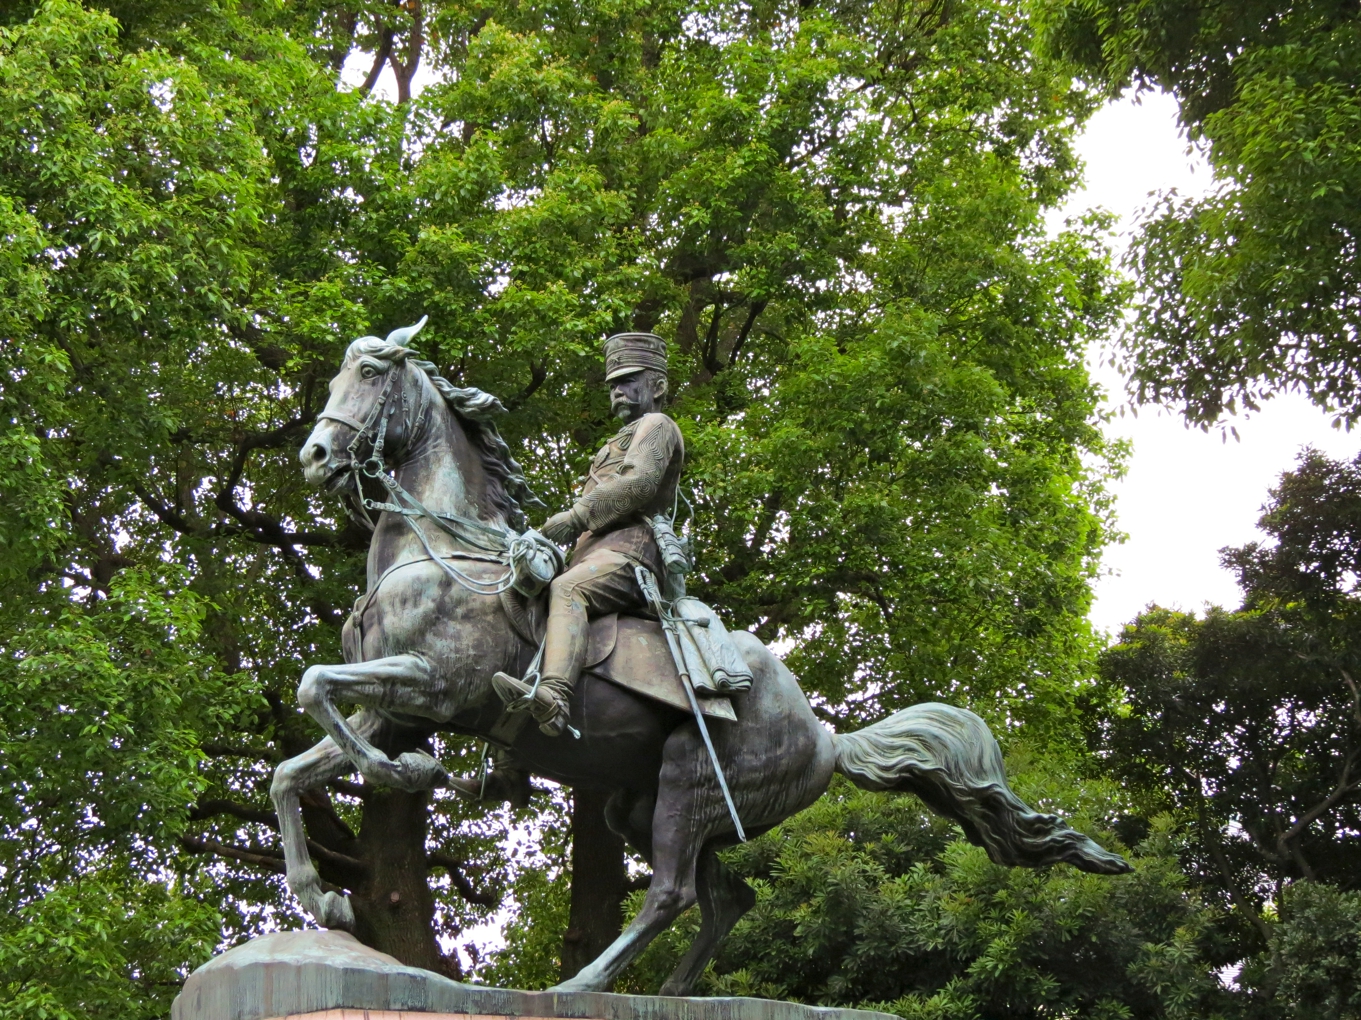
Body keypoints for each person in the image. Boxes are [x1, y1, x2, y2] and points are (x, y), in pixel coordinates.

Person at [492, 332, 684, 736]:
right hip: (591, 555)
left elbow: (640, 483)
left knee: (567, 591)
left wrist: (576, 516)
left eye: (629, 380)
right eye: (613, 383)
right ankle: (510, 759)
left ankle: (556, 695)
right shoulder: (614, 440)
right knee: (514, 594)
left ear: (659, 386)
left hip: (630, 556)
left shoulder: (658, 425)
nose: (617, 389)